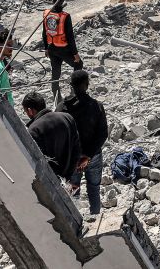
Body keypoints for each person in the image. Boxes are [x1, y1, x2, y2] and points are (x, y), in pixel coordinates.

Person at [58, 70, 108, 215]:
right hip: (93, 156)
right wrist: (87, 156)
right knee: (94, 189)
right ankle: (96, 219)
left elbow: (60, 134)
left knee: (73, 190)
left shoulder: (62, 107)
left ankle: (75, 223)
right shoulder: (96, 106)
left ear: (71, 85)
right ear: (87, 85)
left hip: (72, 158)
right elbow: (103, 134)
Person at [23, 91, 82, 181]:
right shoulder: (67, 117)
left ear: (30, 110)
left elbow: (40, 161)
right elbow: (76, 149)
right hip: (69, 177)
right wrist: (68, 177)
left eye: (25, 111)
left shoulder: (34, 130)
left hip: (52, 182)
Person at [43, 0, 82, 102]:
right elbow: (70, 37)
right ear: (62, 1)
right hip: (63, 49)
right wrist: (75, 54)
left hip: (51, 48)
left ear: (52, 0)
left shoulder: (46, 14)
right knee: (79, 64)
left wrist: (46, 48)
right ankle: (75, 91)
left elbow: (44, 32)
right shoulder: (65, 16)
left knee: (55, 74)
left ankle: (57, 97)